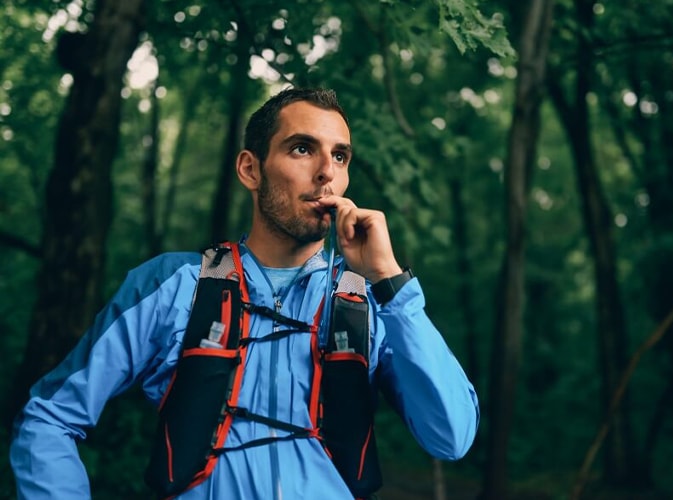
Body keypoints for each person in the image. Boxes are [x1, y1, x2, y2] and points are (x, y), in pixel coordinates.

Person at [10, 87, 479, 499]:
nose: (326, 173)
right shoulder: (175, 285)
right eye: (302, 149)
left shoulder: (373, 303)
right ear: (250, 169)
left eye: (340, 156)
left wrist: (389, 281)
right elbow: (49, 417)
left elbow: (451, 436)